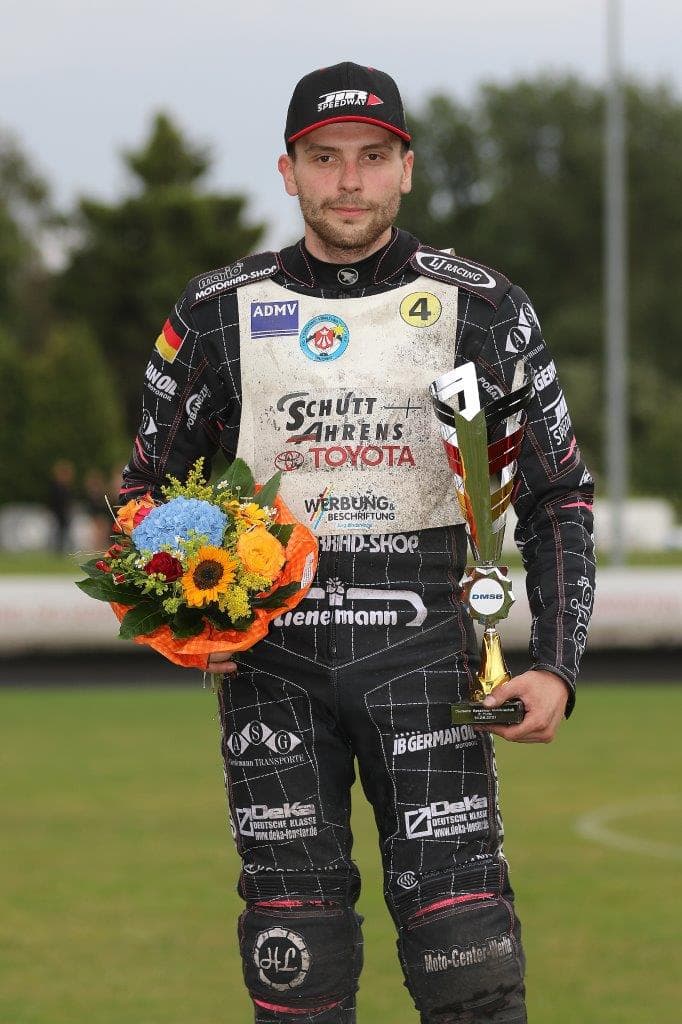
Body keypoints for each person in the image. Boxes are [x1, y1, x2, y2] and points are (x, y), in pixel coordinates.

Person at [121, 62, 595, 1024]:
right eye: (325, 158)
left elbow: (557, 497)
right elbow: (142, 496)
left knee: (470, 968)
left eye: (373, 157)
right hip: (273, 673)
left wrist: (555, 665)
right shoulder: (215, 312)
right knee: (296, 964)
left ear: (406, 169)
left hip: (429, 663)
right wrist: (188, 617)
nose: (349, 181)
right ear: (287, 171)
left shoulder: (485, 308)